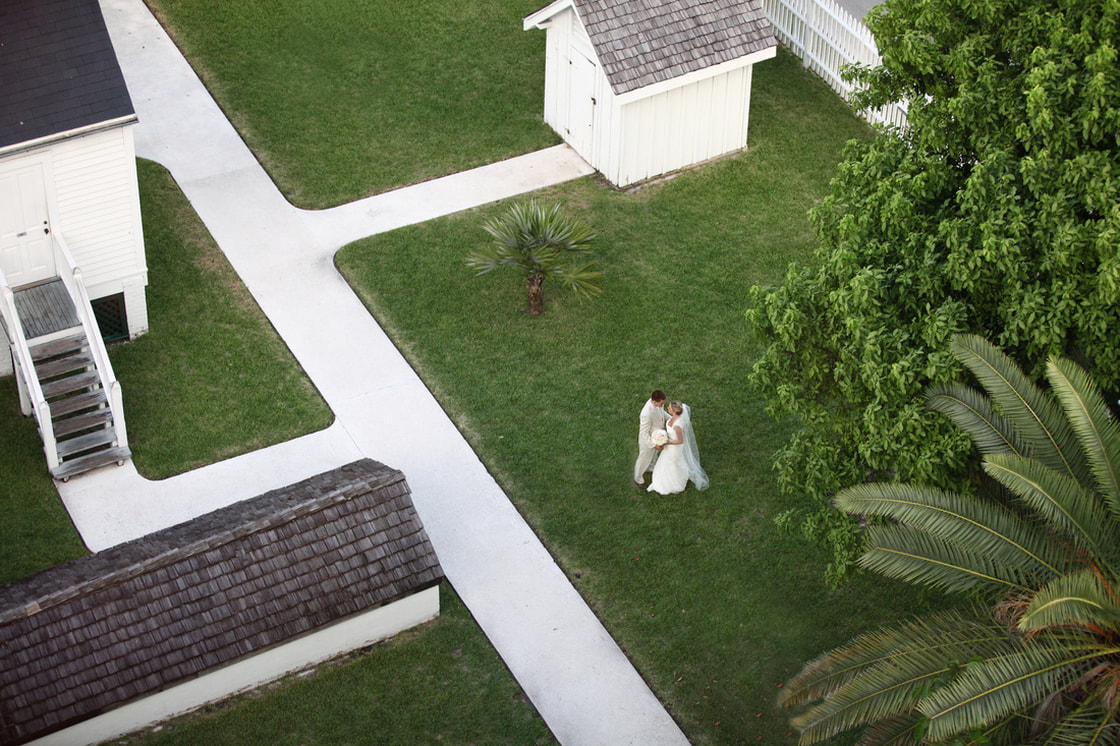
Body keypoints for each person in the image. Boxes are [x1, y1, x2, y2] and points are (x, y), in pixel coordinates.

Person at [647, 401, 709, 495]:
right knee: (665, 461)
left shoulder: (677, 426)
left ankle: (674, 483)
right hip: (670, 446)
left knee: (673, 463)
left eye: (670, 408)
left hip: (675, 448)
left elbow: (680, 441)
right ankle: (664, 478)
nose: (668, 408)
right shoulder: (674, 418)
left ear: (674, 411)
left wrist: (667, 442)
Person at [634, 390, 667, 487]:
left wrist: (671, 419)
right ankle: (638, 478)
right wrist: (654, 445)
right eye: (661, 403)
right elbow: (644, 433)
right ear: (654, 402)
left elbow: (662, 413)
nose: (663, 405)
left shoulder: (659, 404)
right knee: (644, 459)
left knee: (654, 456)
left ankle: (650, 467)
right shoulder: (646, 413)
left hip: (657, 436)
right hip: (648, 440)